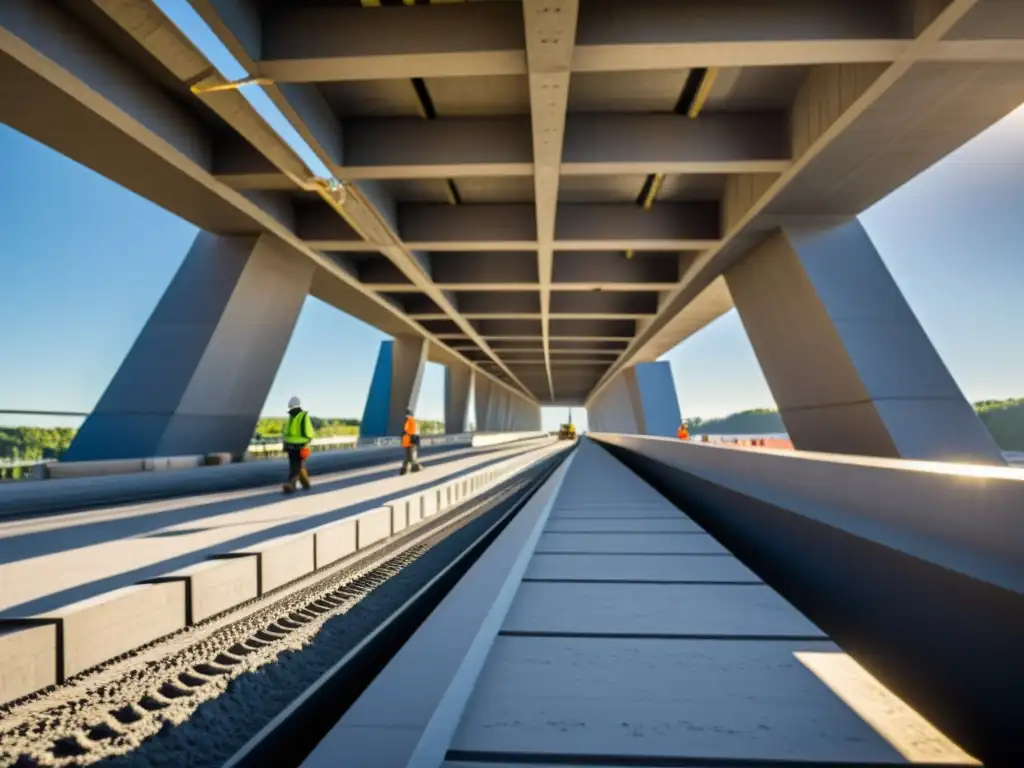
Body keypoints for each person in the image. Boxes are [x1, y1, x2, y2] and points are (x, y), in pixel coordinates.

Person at [282, 396, 316, 494]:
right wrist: (309, 440)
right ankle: (296, 484)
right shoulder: (303, 416)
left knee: (294, 465)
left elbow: (286, 432)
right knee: (298, 465)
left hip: (289, 445)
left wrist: (285, 443)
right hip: (301, 445)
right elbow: (308, 430)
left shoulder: (290, 417)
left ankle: (293, 484)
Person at [400, 407, 423, 475]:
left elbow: (405, 429)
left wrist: (403, 434)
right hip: (412, 440)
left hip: (407, 441)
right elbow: (416, 431)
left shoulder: (407, 419)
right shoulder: (412, 420)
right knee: (411, 455)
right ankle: (412, 468)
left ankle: (405, 470)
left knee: (409, 456)